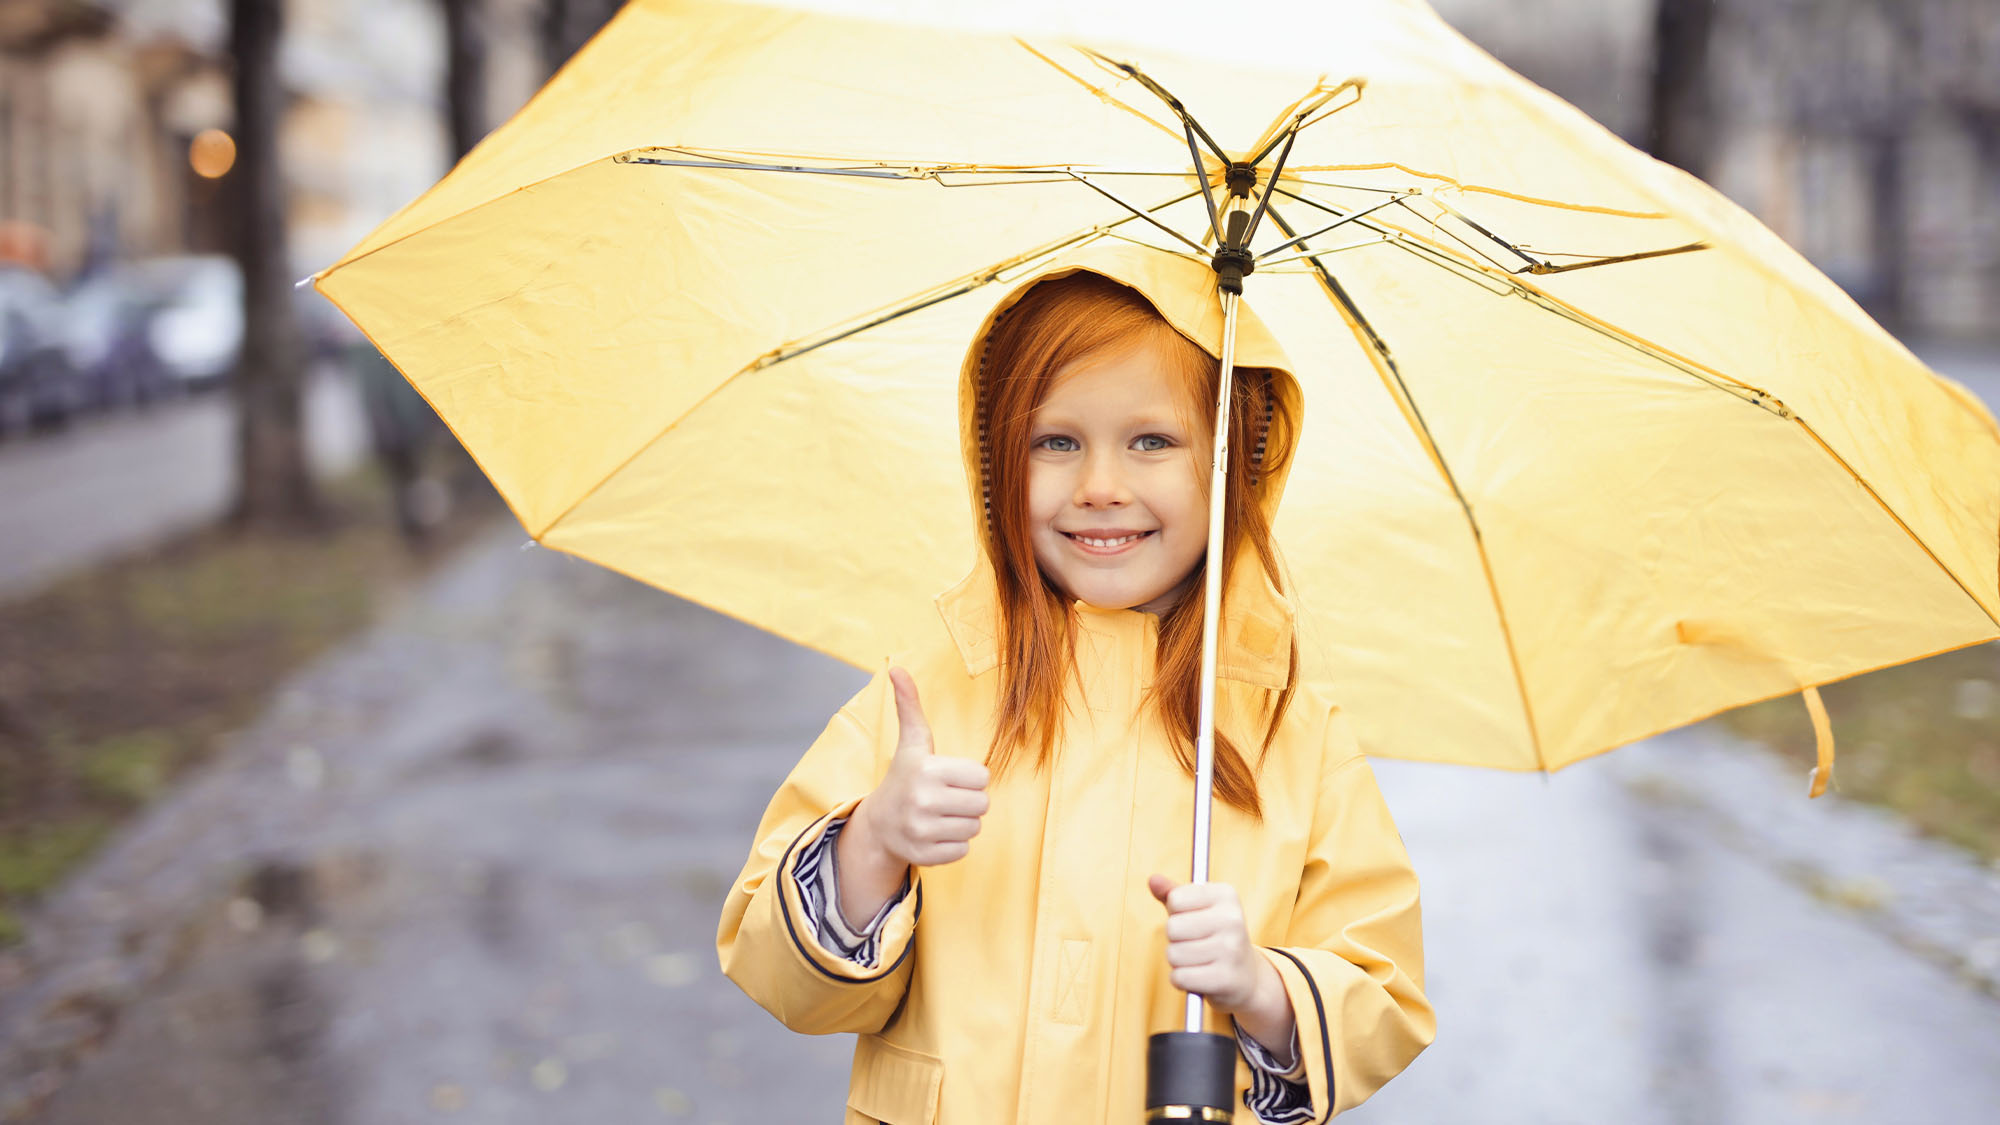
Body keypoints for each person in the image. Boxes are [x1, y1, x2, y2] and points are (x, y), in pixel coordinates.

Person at [717, 244, 1434, 1124]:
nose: (1100, 486)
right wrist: (873, 843)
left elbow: (1383, 998)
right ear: (996, 465)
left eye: (1152, 441)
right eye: (1055, 441)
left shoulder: (1291, 732)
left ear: (1231, 467)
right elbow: (780, 977)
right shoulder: (929, 698)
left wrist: (1264, 986)